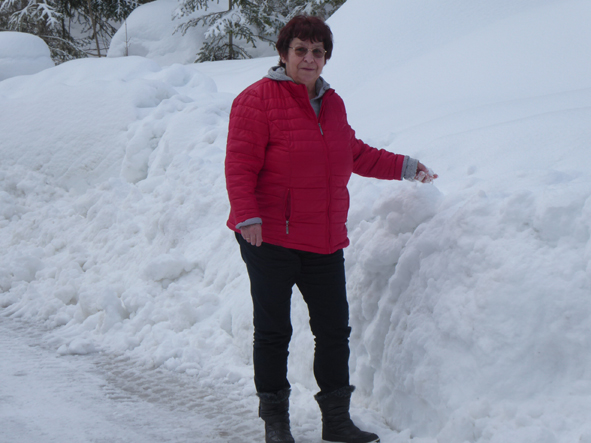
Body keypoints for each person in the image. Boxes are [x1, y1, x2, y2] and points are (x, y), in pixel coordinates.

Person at [225, 15, 437, 443]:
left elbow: (351, 152)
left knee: (334, 331)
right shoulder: (256, 100)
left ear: (325, 58)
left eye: (318, 52)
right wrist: (247, 216)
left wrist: (405, 166)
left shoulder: (331, 103)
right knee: (274, 331)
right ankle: (276, 423)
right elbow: (240, 163)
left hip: (322, 238)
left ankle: (336, 421)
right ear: (283, 53)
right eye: (301, 50)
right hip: (270, 238)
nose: (309, 59)